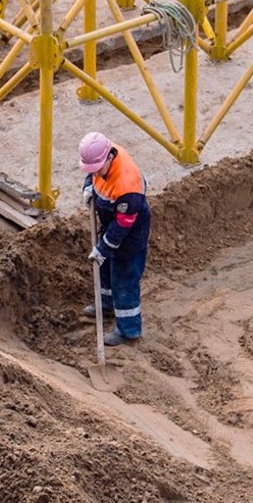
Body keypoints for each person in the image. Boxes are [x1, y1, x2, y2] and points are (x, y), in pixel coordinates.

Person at [79, 132, 150, 346]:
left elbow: (123, 226)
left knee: (124, 280)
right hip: (111, 222)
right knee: (105, 270)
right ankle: (106, 305)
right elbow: (91, 172)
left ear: (108, 158)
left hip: (129, 236)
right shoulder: (101, 156)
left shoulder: (128, 187)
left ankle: (128, 330)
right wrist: (88, 188)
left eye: (97, 169)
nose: (94, 173)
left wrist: (104, 248)